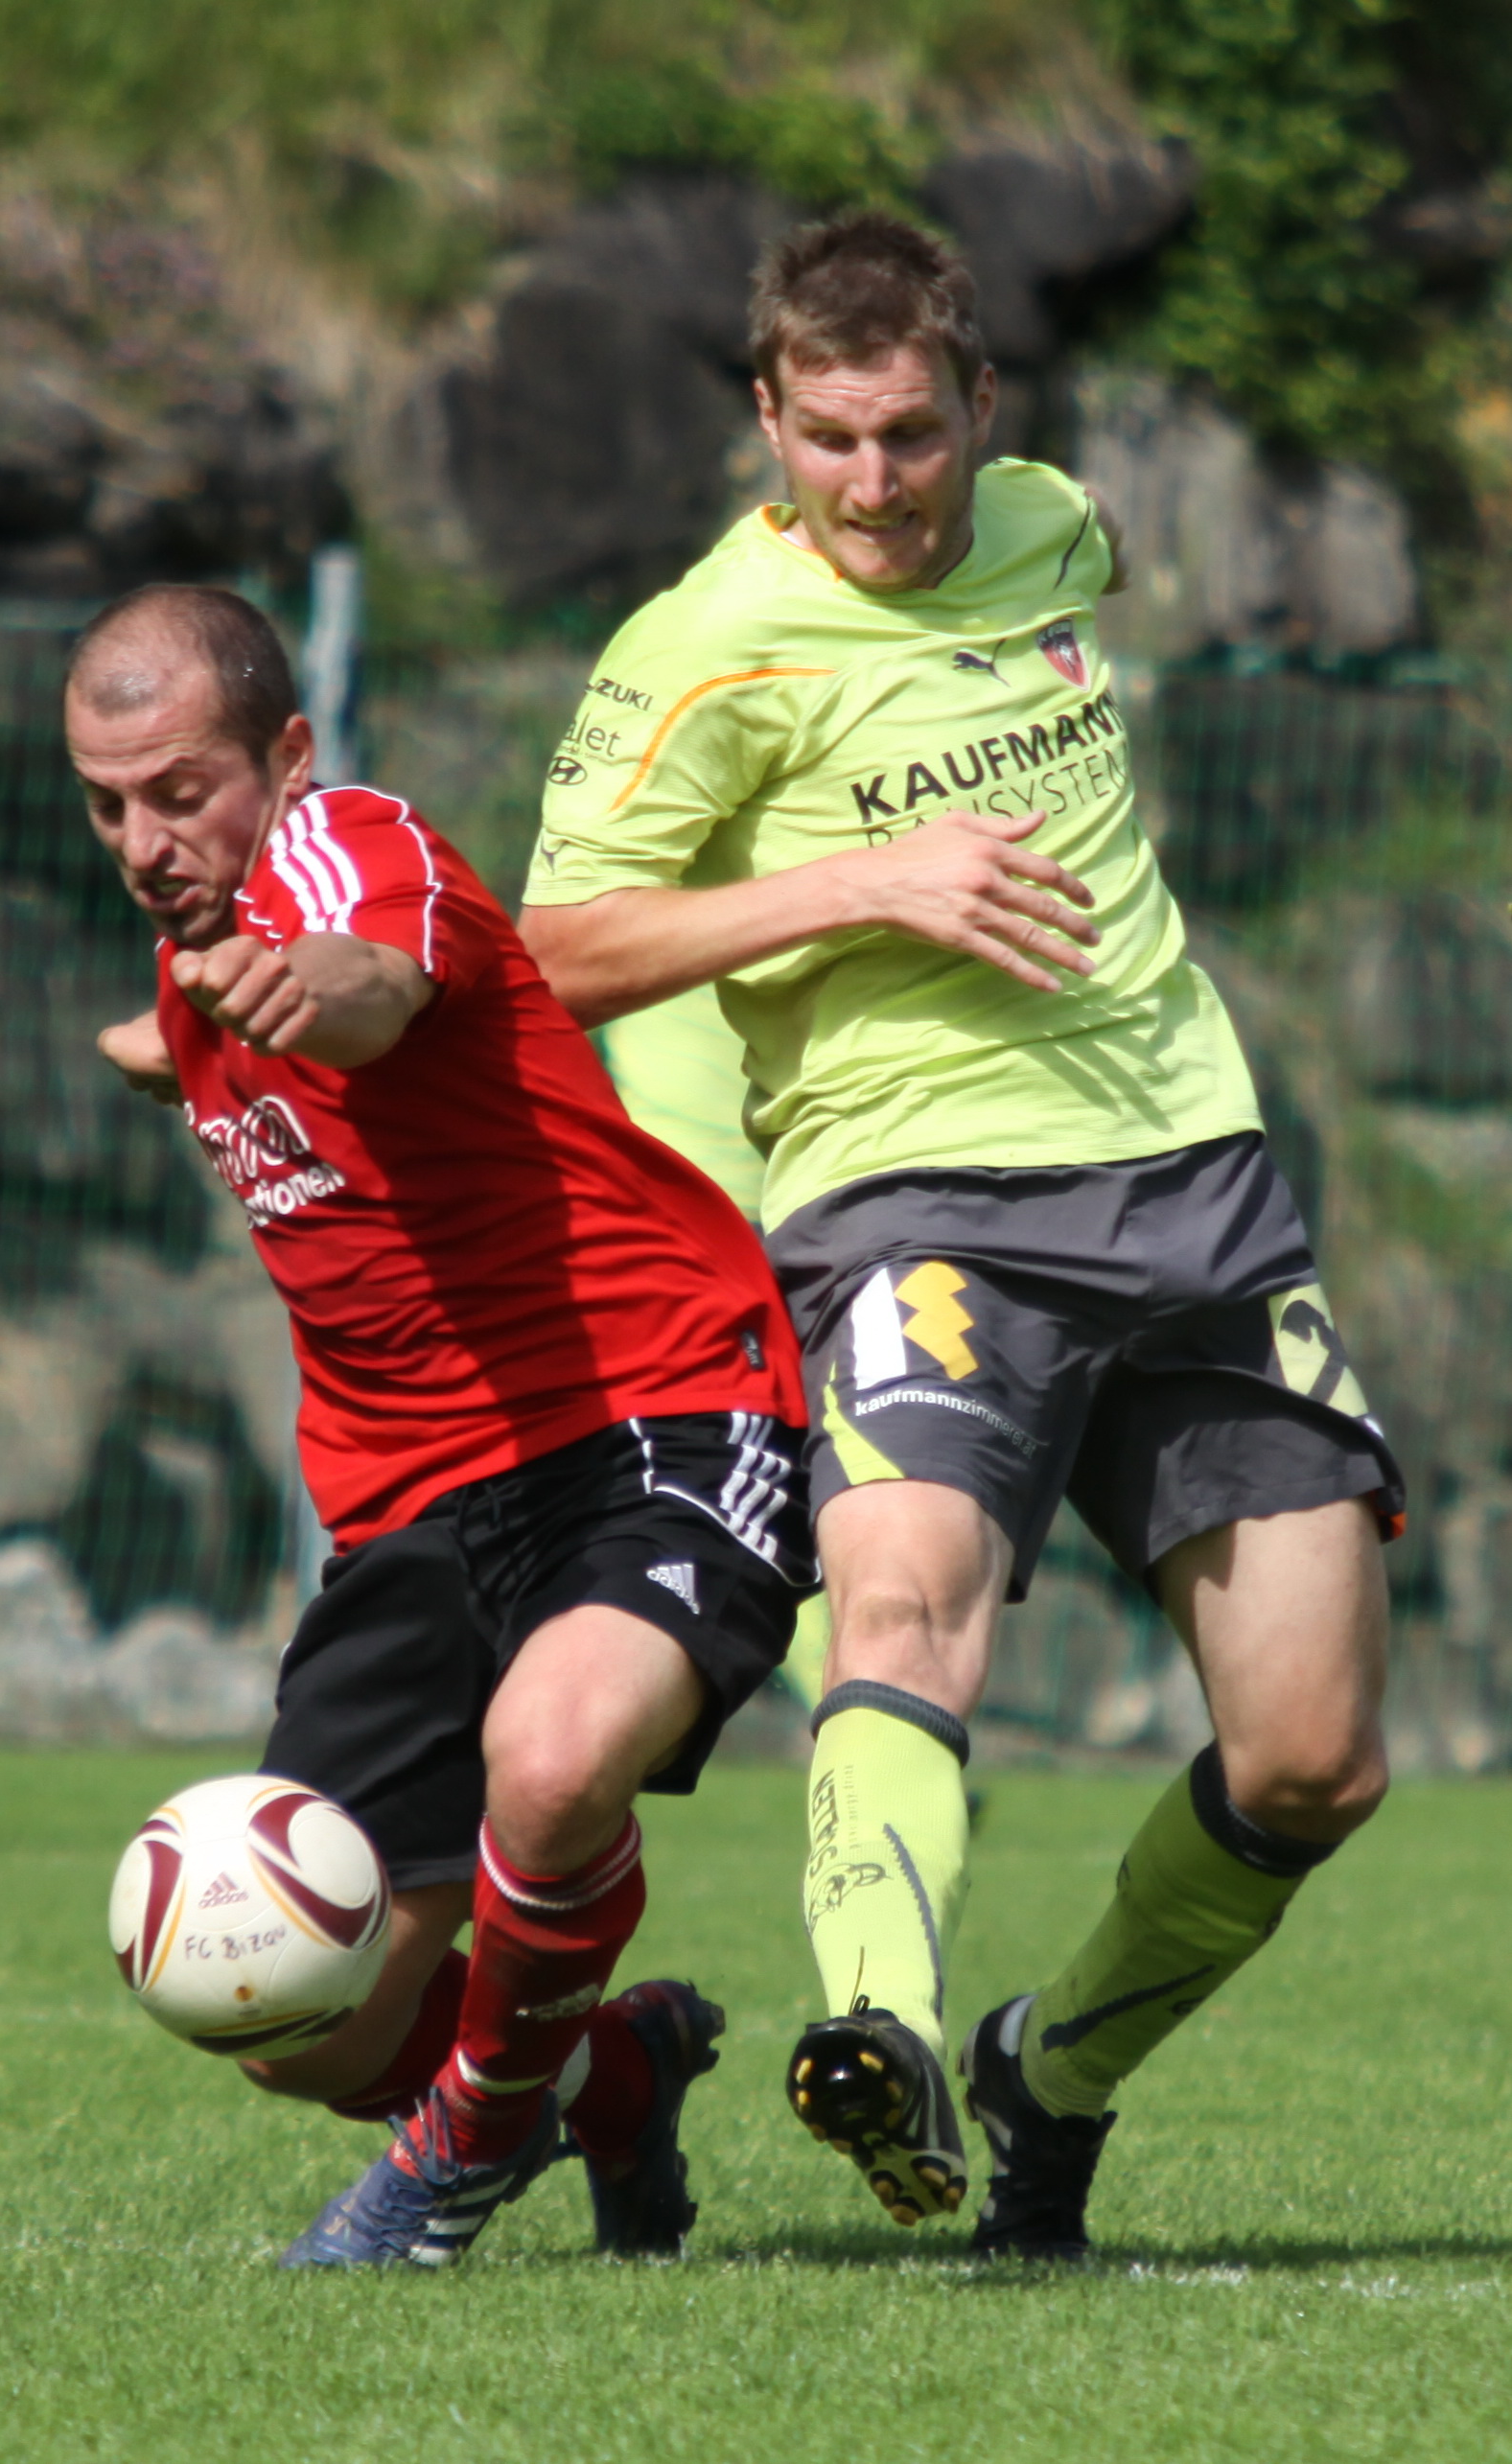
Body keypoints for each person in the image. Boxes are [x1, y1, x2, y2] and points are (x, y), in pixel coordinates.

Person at [518, 210, 1404, 2258]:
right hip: (915, 1202)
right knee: (904, 1596)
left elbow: (1065, 594)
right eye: (828, 437)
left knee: (1311, 1760)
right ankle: (883, 2032)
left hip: (1192, 1185)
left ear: (982, 407)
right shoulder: (696, 648)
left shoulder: (1054, 529)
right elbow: (547, 948)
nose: (873, 483)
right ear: (767, 418)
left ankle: (1043, 2070)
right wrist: (863, 882)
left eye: (910, 434)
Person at [68, 582, 813, 2269]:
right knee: (294, 2013)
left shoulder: (350, 849)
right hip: (409, 1511)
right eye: (108, 806)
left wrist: (301, 991)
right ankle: (613, 2076)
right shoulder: (197, 970)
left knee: (550, 1764)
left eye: (181, 790)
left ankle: (454, 2166)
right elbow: (174, 1029)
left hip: (649, 1416)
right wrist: (162, 1035)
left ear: (288, 755)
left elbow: (372, 981)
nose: (145, 842)